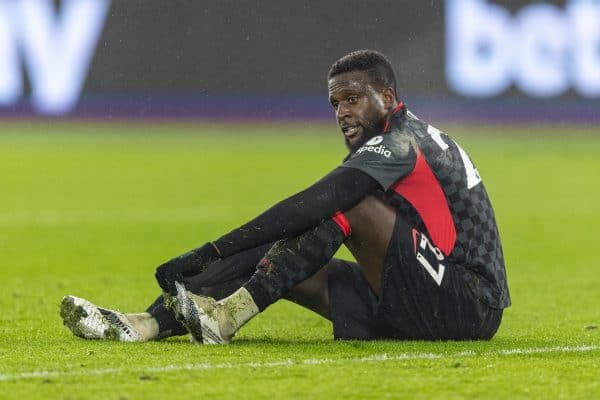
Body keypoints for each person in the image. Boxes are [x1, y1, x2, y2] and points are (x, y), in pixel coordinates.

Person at [61, 49, 510, 344]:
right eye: (336, 104)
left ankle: (228, 316)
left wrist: (212, 250)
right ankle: (146, 324)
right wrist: (215, 259)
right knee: (277, 253)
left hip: (468, 305)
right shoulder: (401, 140)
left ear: (388, 96)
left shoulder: (400, 144)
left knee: (340, 205)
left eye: (353, 99)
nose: (343, 113)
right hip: (417, 292)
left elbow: (318, 201)